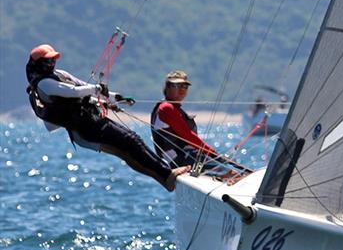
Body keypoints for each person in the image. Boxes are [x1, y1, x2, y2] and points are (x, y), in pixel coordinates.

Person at [25, 44, 188, 191]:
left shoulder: (60, 74)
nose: (52, 63)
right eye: (48, 60)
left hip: (92, 120)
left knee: (128, 148)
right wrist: (97, 89)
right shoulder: (43, 84)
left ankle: (165, 178)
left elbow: (83, 86)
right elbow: (75, 92)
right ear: (38, 63)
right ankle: (167, 175)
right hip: (86, 128)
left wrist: (115, 97)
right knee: (131, 141)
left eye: (53, 59)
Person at [151, 70, 219, 168]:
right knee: (232, 172)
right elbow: (187, 135)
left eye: (185, 86)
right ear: (168, 87)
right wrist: (212, 152)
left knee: (231, 166)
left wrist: (211, 154)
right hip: (179, 161)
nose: (182, 90)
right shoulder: (166, 108)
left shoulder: (173, 108)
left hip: (185, 159)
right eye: (177, 86)